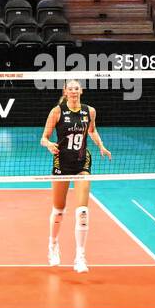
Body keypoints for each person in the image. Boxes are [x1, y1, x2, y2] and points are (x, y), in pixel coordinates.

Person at [41, 79, 111, 273]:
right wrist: (49, 145)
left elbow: (92, 130)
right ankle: (53, 244)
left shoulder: (90, 111)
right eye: (70, 89)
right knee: (59, 210)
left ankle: (80, 257)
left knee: (82, 212)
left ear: (81, 91)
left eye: (76, 88)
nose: (73, 91)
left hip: (82, 163)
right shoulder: (57, 111)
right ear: (65, 91)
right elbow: (43, 138)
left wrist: (101, 146)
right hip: (61, 162)